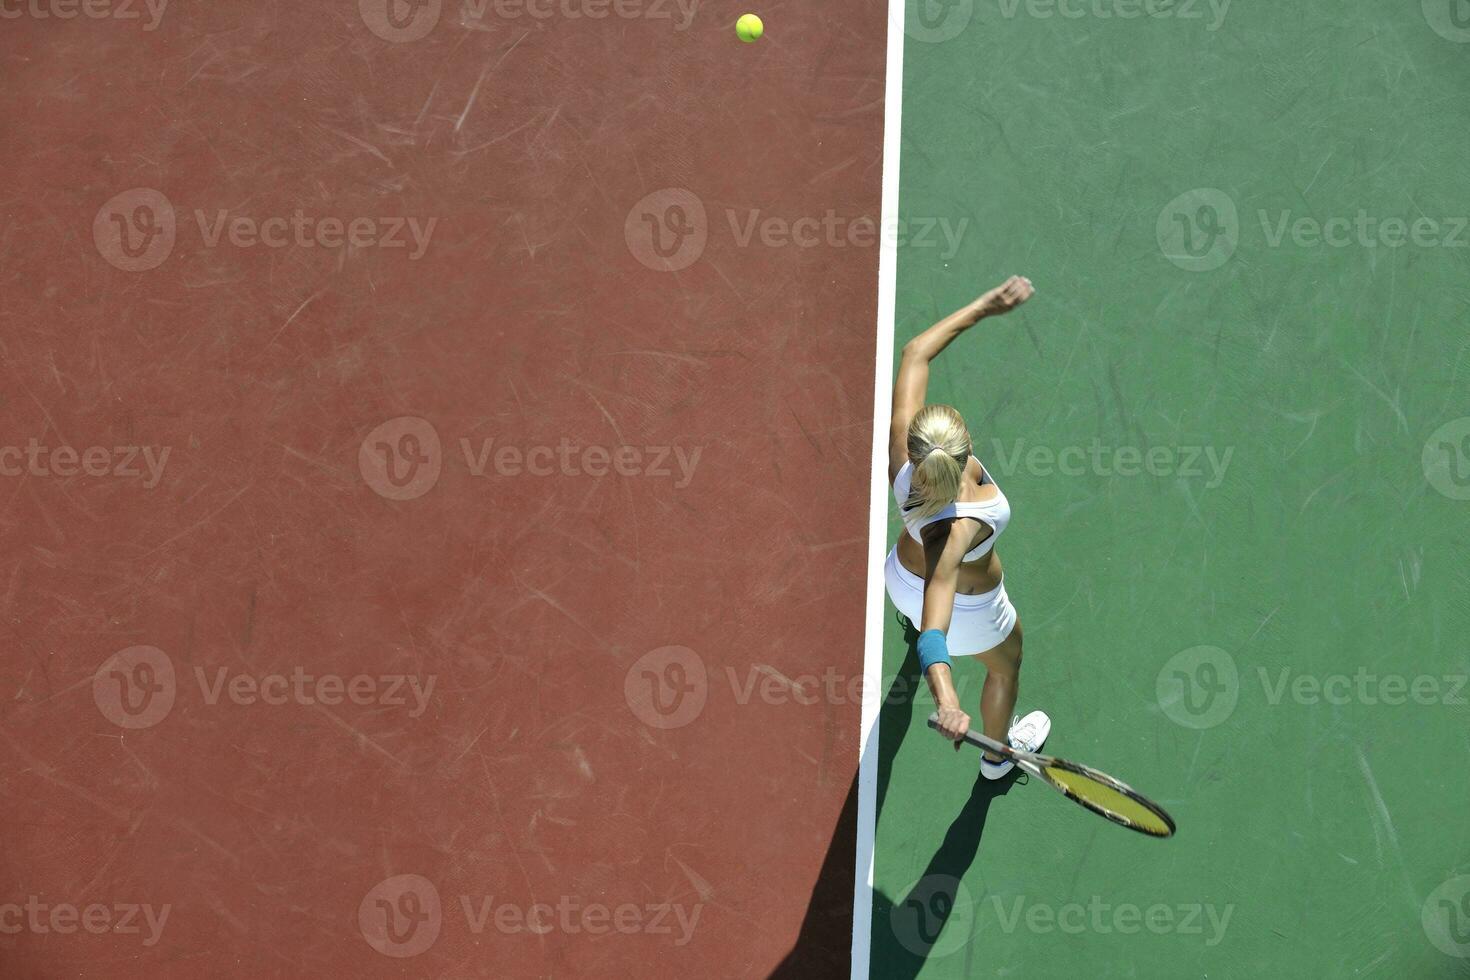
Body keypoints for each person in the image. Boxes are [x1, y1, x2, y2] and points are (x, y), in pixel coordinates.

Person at [884, 275, 1050, 779]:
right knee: (1007, 662)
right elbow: (938, 627)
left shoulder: (902, 459)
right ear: (964, 446)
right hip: (966, 611)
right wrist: (949, 698)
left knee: (921, 622)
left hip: (900, 581)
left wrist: (984, 305)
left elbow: (915, 353)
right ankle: (999, 757)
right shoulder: (956, 532)